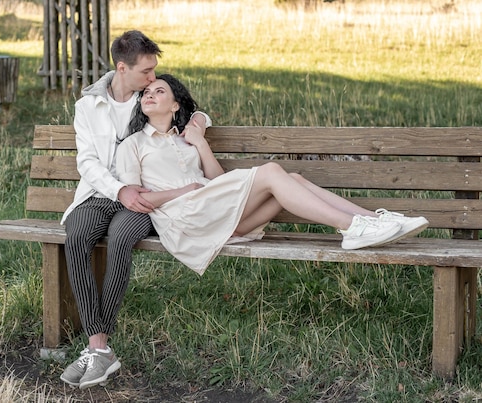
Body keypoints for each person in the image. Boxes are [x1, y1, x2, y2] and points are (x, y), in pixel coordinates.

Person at [115, 74, 429, 275]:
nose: (150, 95)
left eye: (160, 91)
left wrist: (200, 142)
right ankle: (351, 227)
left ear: (174, 106)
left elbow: (217, 180)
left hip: (214, 215)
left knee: (294, 181)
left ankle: (374, 221)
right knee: (272, 173)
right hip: (185, 218)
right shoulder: (133, 144)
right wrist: (182, 192)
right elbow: (135, 199)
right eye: (147, 93)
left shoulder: (185, 138)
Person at [59, 33, 209, 389]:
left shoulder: (150, 93)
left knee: (121, 236)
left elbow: (186, 105)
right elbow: (88, 162)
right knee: (76, 236)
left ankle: (99, 347)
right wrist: (118, 190)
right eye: (147, 70)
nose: (153, 76)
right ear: (122, 68)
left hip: (145, 192)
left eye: (154, 69)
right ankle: (98, 347)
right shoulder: (88, 107)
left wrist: (200, 121)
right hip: (101, 193)